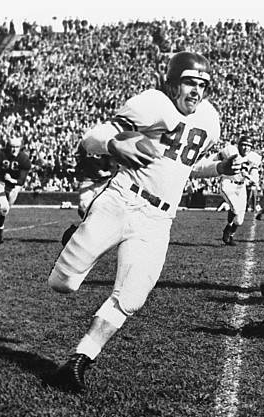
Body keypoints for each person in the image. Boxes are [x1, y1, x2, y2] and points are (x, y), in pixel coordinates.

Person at [48, 51, 241, 392]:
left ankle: (80, 359)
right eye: (189, 83)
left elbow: (186, 165)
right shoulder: (151, 103)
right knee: (62, 284)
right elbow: (90, 139)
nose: (196, 92)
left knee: (131, 296)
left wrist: (219, 169)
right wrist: (112, 145)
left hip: (159, 218)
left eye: (203, 85)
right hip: (124, 199)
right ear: (171, 83)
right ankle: (76, 234)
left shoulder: (209, 119)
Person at [61, 143, 118, 246]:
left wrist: (108, 173)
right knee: (83, 207)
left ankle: (99, 232)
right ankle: (85, 231)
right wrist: (73, 171)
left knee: (101, 208)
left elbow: (114, 166)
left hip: (103, 182)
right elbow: (81, 165)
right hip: (88, 180)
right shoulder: (85, 150)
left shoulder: (107, 150)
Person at [0, 136, 31, 244]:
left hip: (14, 187)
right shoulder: (0, 154)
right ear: (7, 146)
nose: (14, 149)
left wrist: (12, 180)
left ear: (20, 147)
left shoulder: (24, 159)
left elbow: (21, 181)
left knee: (3, 211)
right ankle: (0, 232)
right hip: (0, 183)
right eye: (12, 147)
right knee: (4, 207)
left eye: (17, 147)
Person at [217, 134, 262, 245]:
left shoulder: (254, 158)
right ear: (238, 145)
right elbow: (215, 159)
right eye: (243, 145)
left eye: (248, 145)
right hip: (228, 183)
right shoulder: (230, 151)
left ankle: (231, 235)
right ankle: (228, 228)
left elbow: (255, 178)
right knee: (235, 209)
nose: (246, 148)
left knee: (240, 220)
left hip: (241, 187)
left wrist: (248, 176)